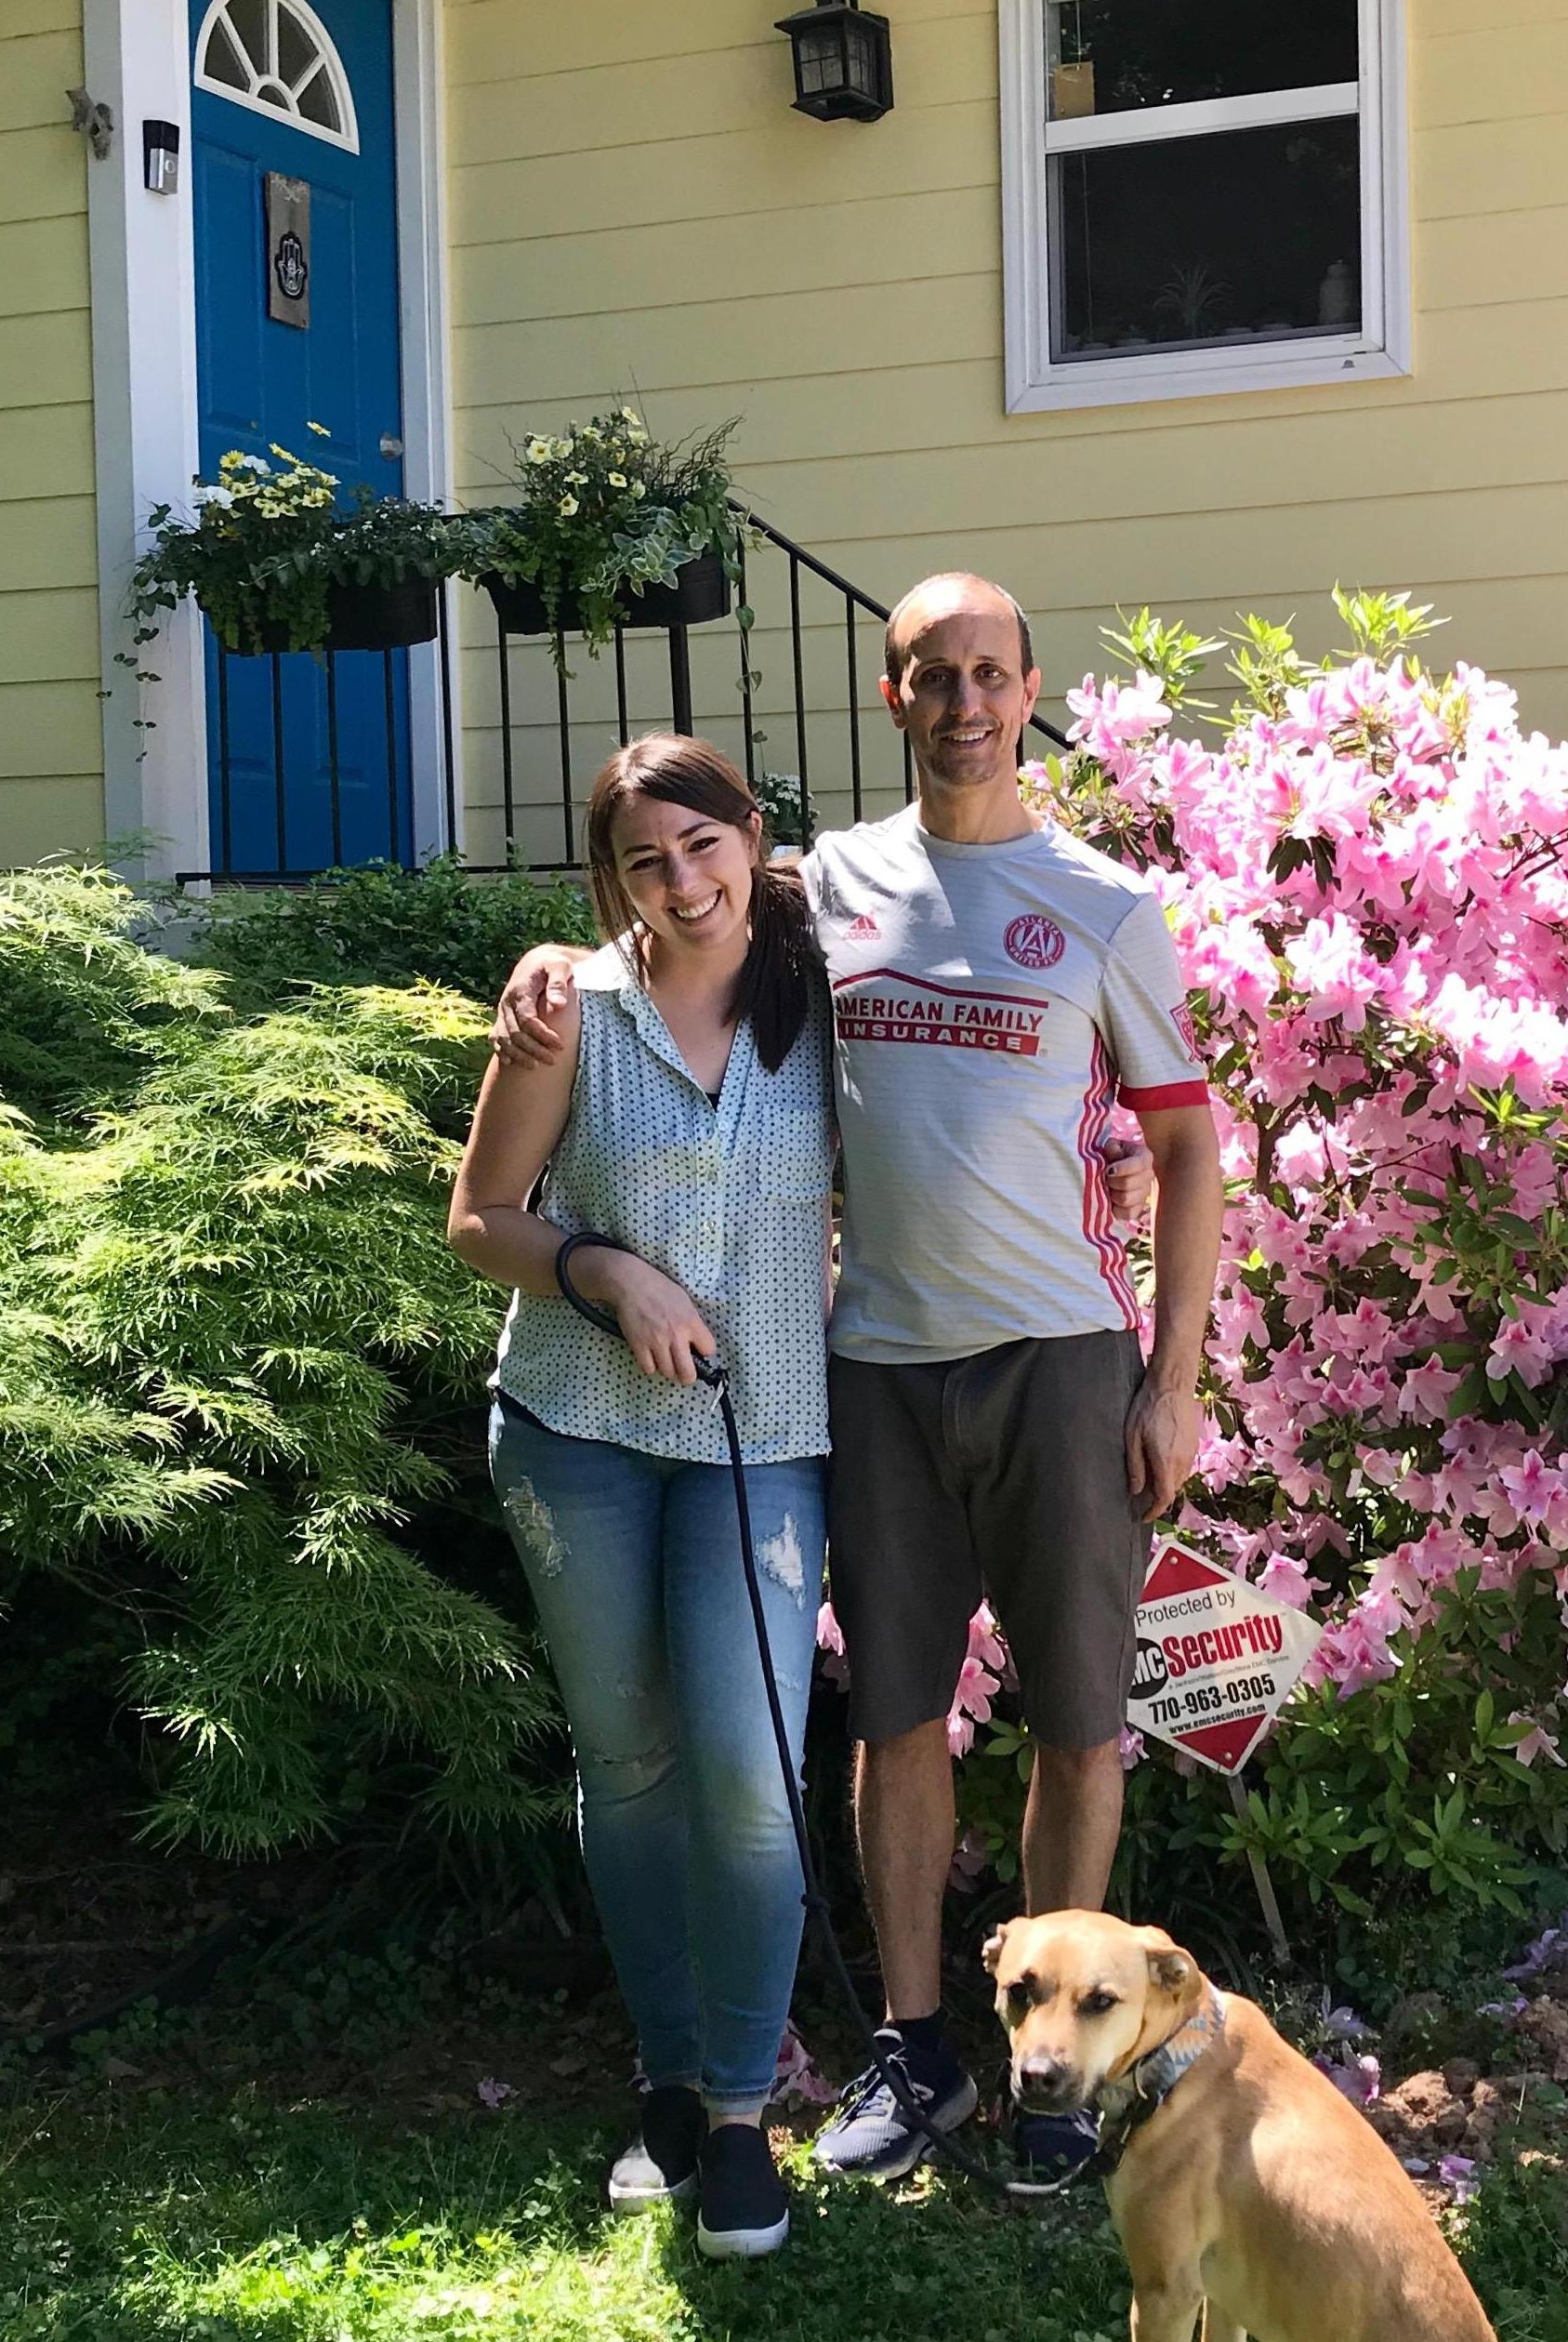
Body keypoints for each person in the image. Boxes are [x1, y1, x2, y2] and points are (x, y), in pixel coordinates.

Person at [496, 574, 1225, 2183]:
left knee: (1077, 1728)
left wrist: (1173, 1381)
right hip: (875, 1369)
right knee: (897, 1718)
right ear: (892, 697)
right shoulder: (825, 891)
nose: (963, 701)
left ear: (1028, 690)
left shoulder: (1107, 909)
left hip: (1062, 1361)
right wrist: (553, 955)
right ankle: (916, 2054)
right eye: (930, 675)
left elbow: (1187, 1146)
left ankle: (1062, 2079)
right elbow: (671, 913)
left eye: (989, 672)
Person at [448, 734, 835, 2261]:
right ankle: (671, 2082)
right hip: (578, 1432)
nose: (683, 884)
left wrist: (1108, 1171)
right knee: (629, 1768)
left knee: (749, 1773)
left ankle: (742, 2111)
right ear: (611, 884)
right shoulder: (571, 1009)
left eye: (703, 845)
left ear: (753, 833)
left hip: (765, 1437)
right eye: (644, 864)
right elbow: (480, 1217)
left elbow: (963, 1122)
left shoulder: (833, 993)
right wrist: (604, 1269)